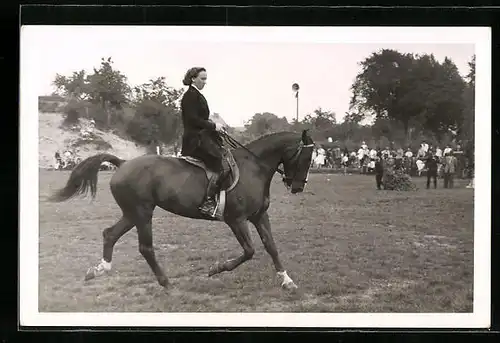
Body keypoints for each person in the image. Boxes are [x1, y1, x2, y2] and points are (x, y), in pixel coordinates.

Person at [179, 67, 229, 217]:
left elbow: (202, 119)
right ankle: (208, 202)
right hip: (195, 140)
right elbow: (192, 120)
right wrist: (213, 125)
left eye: (206, 79)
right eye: (202, 78)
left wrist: (217, 128)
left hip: (203, 137)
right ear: (193, 78)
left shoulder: (197, 95)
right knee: (221, 166)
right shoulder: (190, 96)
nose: (205, 82)